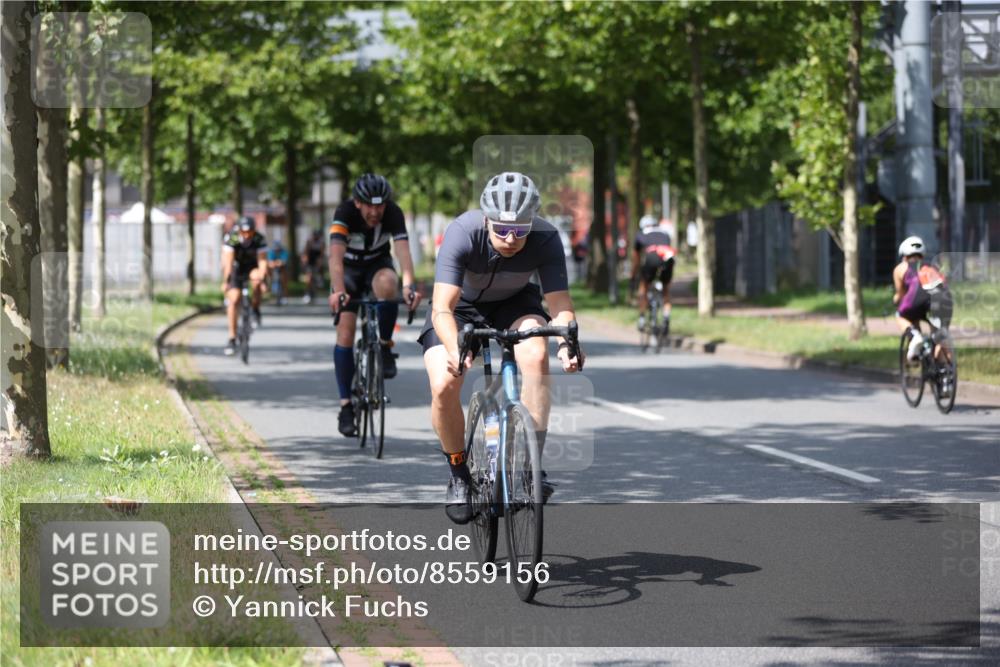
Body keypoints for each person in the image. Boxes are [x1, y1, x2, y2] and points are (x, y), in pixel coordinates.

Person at [419, 171, 584, 525]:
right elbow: (441, 309)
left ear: (532, 223)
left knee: (536, 353)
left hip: (515, 303)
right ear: (486, 220)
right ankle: (459, 474)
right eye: (501, 229)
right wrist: (454, 348)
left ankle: (530, 470)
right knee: (444, 382)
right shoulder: (463, 233)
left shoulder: (547, 238)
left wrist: (565, 344)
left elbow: (559, 304)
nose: (510, 238)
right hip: (459, 309)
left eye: (520, 231)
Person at [328, 173, 421, 436]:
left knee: (389, 282)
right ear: (357, 203)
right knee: (345, 333)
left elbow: (403, 251)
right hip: (347, 270)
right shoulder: (344, 212)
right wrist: (338, 291)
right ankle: (346, 406)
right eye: (369, 205)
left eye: (379, 205)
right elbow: (334, 257)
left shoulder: (393, 213)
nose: (375, 211)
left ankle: (384, 346)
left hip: (376, 266)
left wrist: (409, 285)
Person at [893, 235, 953, 362]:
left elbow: (901, 295)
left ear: (904, 255)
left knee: (900, 315)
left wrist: (896, 300)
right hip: (945, 298)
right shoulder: (933, 266)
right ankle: (947, 374)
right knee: (940, 336)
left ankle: (914, 336)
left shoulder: (901, 268)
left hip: (919, 297)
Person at [221, 216, 268, 355]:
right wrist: (226, 282)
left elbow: (263, 262)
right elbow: (228, 263)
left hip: (252, 266)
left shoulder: (259, 239)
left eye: (250, 232)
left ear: (254, 231)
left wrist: (263, 279)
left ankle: (255, 309)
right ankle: (232, 338)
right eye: (244, 232)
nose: (247, 235)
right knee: (234, 299)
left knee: (257, 279)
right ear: (239, 230)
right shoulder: (232, 238)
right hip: (236, 267)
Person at [632, 216, 676, 337]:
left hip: (652, 257)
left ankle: (641, 318)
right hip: (668, 257)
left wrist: (633, 275)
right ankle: (666, 318)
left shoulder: (640, 234)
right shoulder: (665, 233)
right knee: (666, 289)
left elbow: (636, 259)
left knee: (644, 287)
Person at [267, 239, 289, 305]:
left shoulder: (284, 251)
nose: (276, 250)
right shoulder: (271, 252)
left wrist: (277, 263)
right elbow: (270, 263)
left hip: (283, 268)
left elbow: (284, 262)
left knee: (284, 280)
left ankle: (285, 296)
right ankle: (271, 294)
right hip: (274, 268)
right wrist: (277, 263)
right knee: (269, 274)